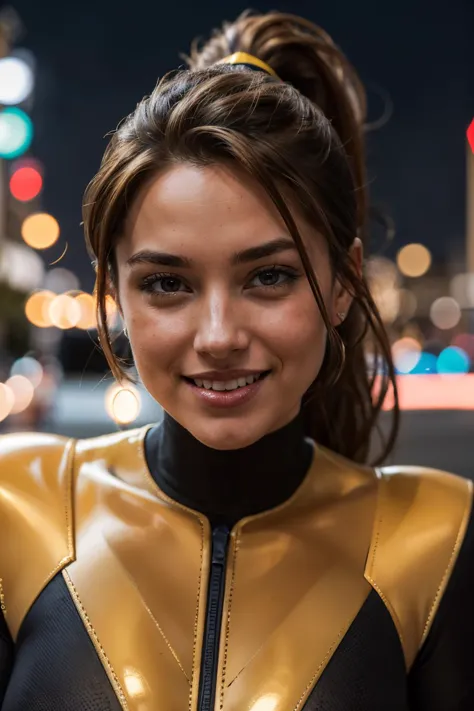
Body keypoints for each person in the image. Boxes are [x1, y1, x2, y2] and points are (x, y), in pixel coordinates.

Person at [0, 10, 472, 711]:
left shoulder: (438, 541)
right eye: (167, 283)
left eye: (268, 276)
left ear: (343, 282)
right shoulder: (19, 510)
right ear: (116, 293)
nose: (218, 334)